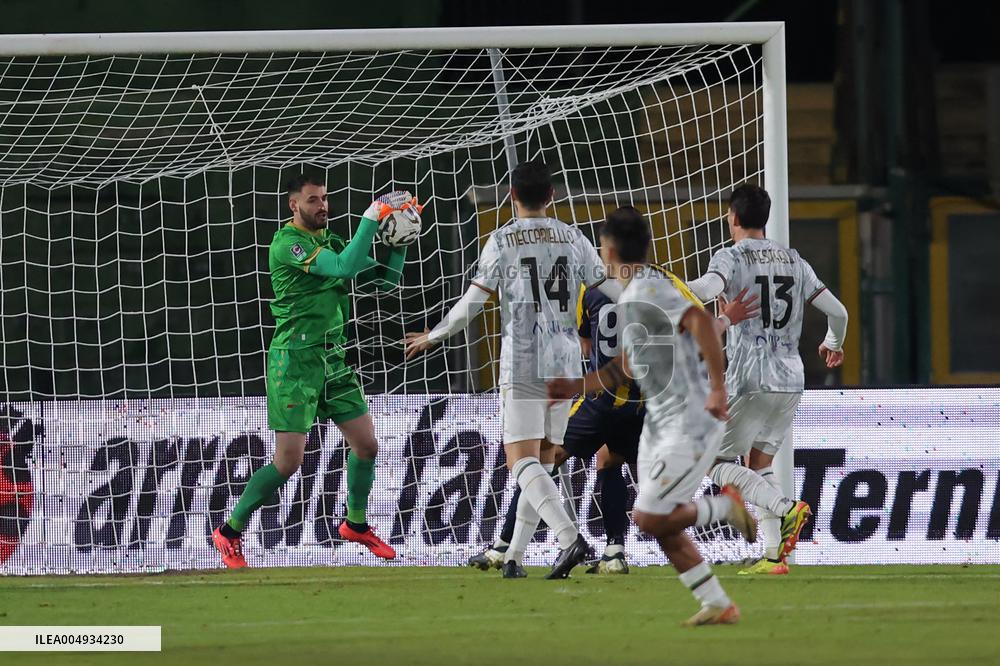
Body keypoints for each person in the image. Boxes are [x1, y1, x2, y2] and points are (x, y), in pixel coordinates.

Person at [405, 160, 619, 579]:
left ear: (511, 196)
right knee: (545, 459)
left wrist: (435, 335)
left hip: (524, 360)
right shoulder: (573, 236)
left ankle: (569, 538)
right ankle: (514, 557)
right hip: (565, 362)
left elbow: (473, 302)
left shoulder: (502, 240)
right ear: (552, 195)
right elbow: (608, 289)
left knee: (519, 460)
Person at [548, 210, 756, 626]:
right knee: (656, 521)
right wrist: (577, 386)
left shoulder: (648, 288)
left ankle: (724, 508)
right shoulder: (633, 295)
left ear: (609, 251)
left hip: (689, 418)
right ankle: (717, 603)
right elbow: (625, 366)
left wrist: (718, 388)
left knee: (650, 517)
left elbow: (700, 322)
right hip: (661, 421)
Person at [212, 173, 417, 567]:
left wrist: (401, 241)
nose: (322, 205)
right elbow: (343, 268)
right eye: (312, 200)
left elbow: (385, 282)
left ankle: (355, 524)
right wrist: (373, 216)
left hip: (332, 360)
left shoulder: (331, 240)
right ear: (294, 205)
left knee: (367, 445)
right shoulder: (287, 244)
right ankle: (230, 531)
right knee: (288, 462)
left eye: (324, 198)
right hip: (294, 362)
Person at [687, 184, 848, 575]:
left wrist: (667, 285)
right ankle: (775, 554)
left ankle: (786, 508)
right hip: (791, 377)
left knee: (712, 459)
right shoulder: (794, 259)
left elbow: (706, 289)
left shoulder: (731, 256)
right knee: (759, 462)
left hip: (751, 375)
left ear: (733, 217)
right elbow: (839, 312)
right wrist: (833, 343)